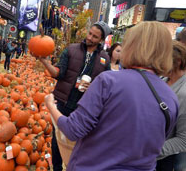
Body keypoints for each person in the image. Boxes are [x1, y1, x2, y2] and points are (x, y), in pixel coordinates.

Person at [45, 21, 179, 171]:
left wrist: (51, 105)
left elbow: (73, 130)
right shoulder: (171, 98)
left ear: (131, 46)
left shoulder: (108, 81)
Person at [38, 21, 112, 171]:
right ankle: (57, 168)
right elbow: (58, 73)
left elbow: (107, 85)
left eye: (95, 36)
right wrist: (44, 62)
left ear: (101, 40)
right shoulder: (71, 50)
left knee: (81, 141)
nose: (90, 38)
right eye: (90, 33)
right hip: (64, 102)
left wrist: (93, 88)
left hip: (85, 107)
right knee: (58, 139)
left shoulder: (104, 59)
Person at [156, 41, 186, 171]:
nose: (158, 64)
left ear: (177, 61)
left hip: (164, 160)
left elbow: (183, 140)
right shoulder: (163, 80)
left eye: (163, 59)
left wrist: (150, 151)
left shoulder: (183, 92)